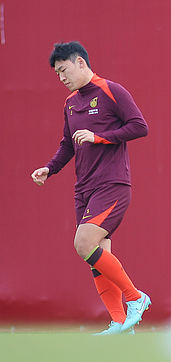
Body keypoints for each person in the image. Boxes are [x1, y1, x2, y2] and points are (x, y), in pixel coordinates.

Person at [31, 41, 151, 335]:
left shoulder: (112, 91)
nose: (61, 77)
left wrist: (99, 137)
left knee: (83, 244)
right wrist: (49, 168)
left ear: (80, 62)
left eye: (64, 70)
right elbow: (67, 144)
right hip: (83, 189)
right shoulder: (70, 103)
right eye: (57, 73)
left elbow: (140, 126)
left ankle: (136, 298)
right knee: (95, 255)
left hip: (112, 184)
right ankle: (120, 322)